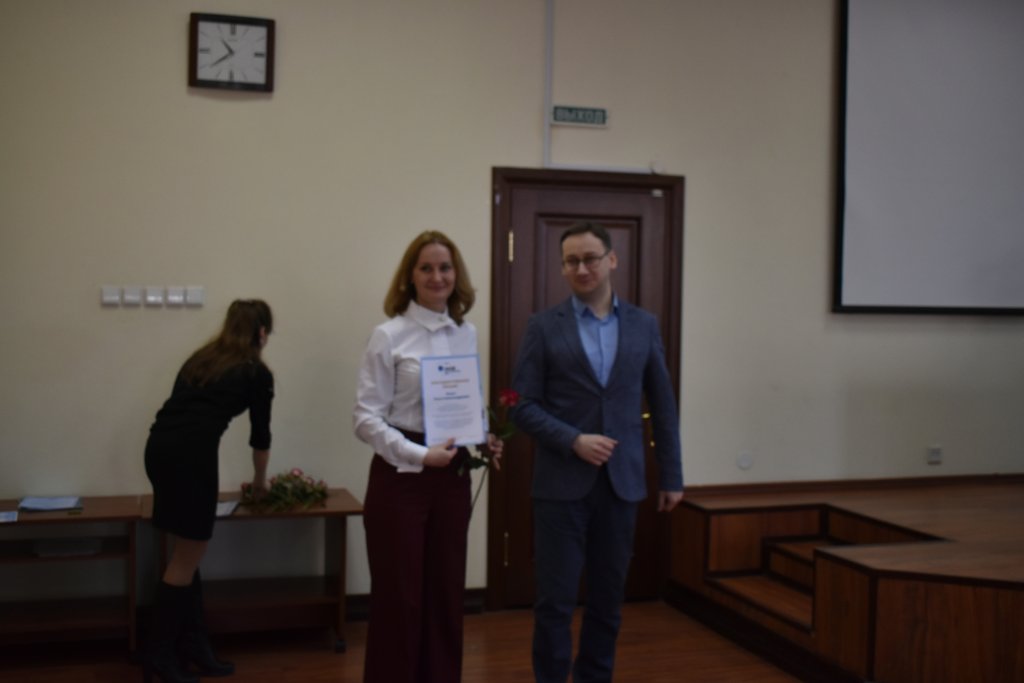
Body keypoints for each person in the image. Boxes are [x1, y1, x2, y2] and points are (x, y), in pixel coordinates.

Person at [510, 222, 684, 683]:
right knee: (555, 603)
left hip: (621, 485)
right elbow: (520, 406)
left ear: (611, 259)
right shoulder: (543, 326)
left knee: (608, 602)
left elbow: (663, 406)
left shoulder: (644, 325)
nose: (581, 268)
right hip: (559, 487)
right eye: (571, 261)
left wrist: (672, 475)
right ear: (563, 268)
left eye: (590, 258)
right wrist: (573, 439)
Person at [353, 230, 503, 683]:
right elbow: (365, 419)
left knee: (445, 593)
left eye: (445, 267)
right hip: (400, 476)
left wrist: (483, 434)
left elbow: (462, 401)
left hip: (451, 475)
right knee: (400, 598)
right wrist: (420, 455)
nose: (437, 277)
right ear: (410, 277)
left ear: (456, 275)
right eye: (426, 268)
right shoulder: (388, 335)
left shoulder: (465, 332)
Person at [142, 299, 275, 683]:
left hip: (158, 449)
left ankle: (194, 646)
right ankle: (159, 656)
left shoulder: (201, 359)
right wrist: (260, 481)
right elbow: (260, 437)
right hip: (191, 457)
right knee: (187, 556)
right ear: (261, 332)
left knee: (187, 550)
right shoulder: (255, 372)